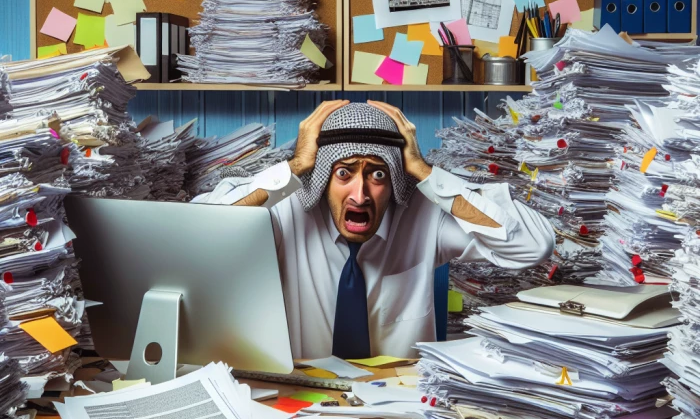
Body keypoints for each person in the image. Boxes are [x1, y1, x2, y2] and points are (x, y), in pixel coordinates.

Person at [194, 100, 555, 359]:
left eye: (378, 174)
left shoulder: (424, 215)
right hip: (300, 400)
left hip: (400, 404)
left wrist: (426, 172)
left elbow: (532, 246)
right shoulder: (285, 210)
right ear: (322, 178)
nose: (361, 193)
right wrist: (294, 168)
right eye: (344, 172)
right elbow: (197, 234)